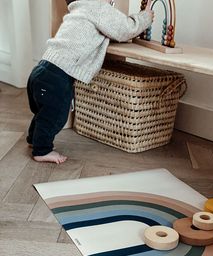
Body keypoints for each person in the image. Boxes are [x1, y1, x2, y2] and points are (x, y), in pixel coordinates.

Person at [27, 0, 154, 164]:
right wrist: (146, 17)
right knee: (55, 116)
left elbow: (110, 30)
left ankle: (34, 139)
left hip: (41, 71)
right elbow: (125, 28)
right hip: (57, 76)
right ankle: (42, 150)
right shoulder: (98, 7)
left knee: (43, 113)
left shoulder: (79, 10)